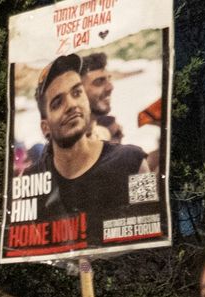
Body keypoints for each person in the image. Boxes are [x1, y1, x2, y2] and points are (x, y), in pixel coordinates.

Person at [26, 54, 148, 239]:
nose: (71, 105)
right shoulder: (31, 180)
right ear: (45, 128)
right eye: (57, 103)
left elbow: (153, 222)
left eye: (77, 93)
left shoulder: (134, 160)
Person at [81, 52, 123, 143]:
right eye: (99, 81)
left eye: (109, 79)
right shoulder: (71, 142)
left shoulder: (101, 133)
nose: (110, 87)